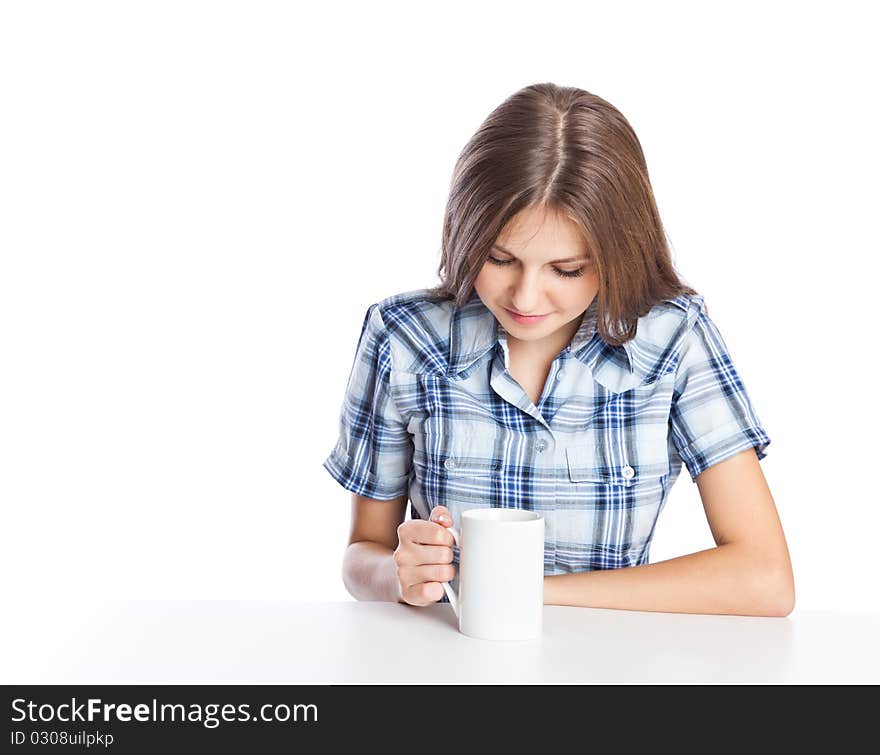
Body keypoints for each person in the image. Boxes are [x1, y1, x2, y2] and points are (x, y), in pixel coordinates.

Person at [323, 83, 795, 617]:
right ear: (464, 234)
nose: (524, 297)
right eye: (499, 259)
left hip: (606, 667)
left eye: (567, 270)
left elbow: (765, 579)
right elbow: (363, 556)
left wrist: (523, 591)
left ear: (620, 254)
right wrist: (399, 573)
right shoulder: (404, 335)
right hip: (446, 660)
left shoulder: (673, 339)